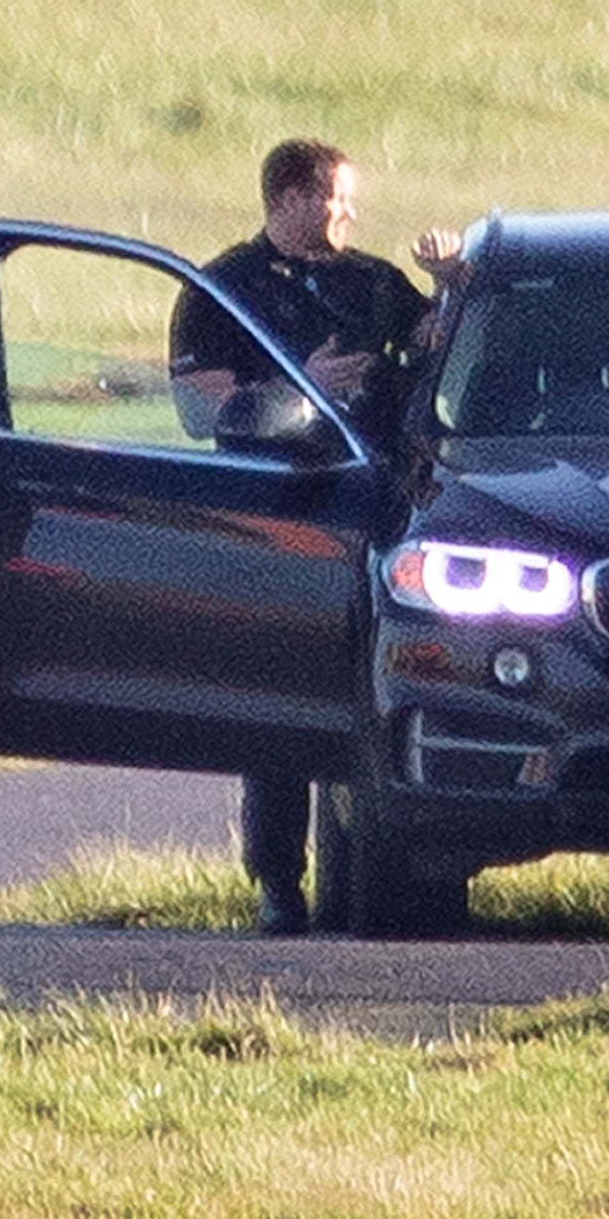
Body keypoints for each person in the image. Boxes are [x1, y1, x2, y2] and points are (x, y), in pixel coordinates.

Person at [170, 137, 466, 934]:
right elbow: (199, 408)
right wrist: (295, 386)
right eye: (337, 198)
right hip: (278, 514)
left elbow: (434, 348)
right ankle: (277, 881)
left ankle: (378, 872)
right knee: (279, 703)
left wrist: (449, 292)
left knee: (378, 690)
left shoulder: (373, 281)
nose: (350, 213)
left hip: (371, 508)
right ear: (291, 198)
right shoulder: (222, 289)